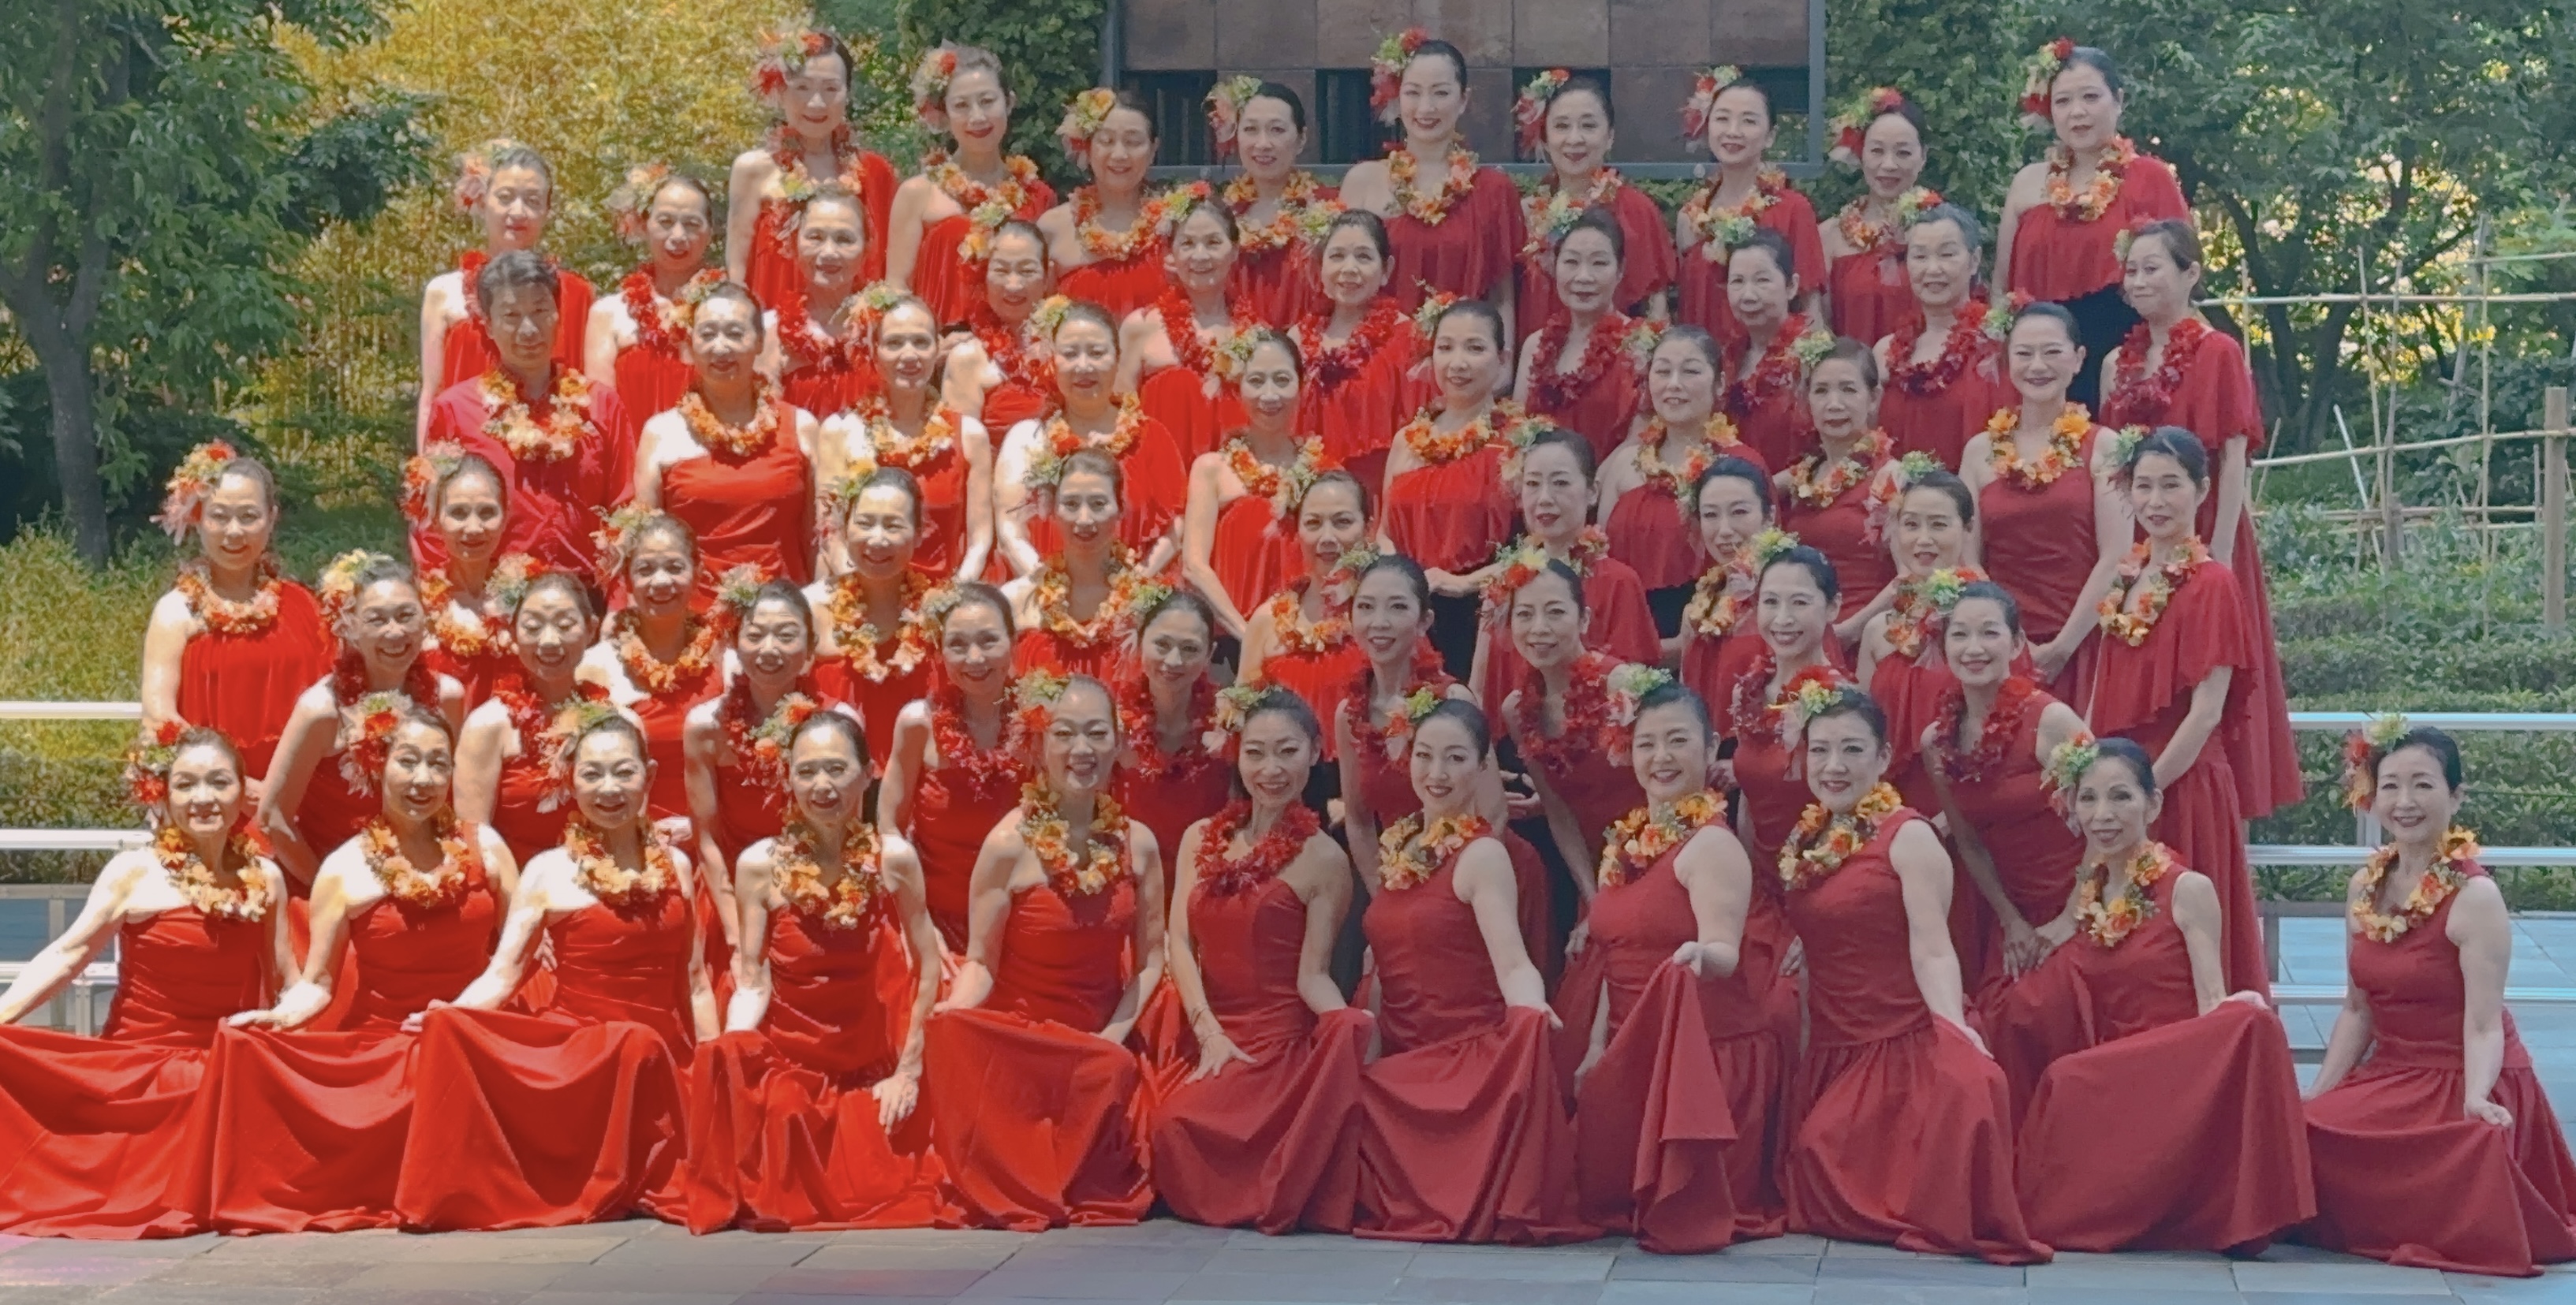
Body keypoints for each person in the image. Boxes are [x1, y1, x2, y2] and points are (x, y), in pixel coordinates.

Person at [198, 705, 515, 1233]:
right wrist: (278, 1018)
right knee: (252, 1051)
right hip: (390, 1044)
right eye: (407, 761)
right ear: (377, 765)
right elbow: (319, 984)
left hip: (477, 1030)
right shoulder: (344, 868)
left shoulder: (486, 846)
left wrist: (464, 1013)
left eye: (438, 763)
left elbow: (516, 958)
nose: (423, 778)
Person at [395, 713, 715, 1229]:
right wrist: (450, 1012)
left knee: (648, 1052)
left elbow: (694, 983)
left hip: (661, 1054)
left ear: (650, 775)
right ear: (571, 780)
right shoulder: (548, 870)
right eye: (591, 774)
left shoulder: (676, 866)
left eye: (623, 772)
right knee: (631, 1043)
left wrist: (711, 1065)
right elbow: (504, 975)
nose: (608, 789)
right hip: (584, 1051)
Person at [1994, 739, 2313, 1251]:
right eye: (2089, 798)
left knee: (2066, 1079)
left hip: (2174, 1062)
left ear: (2153, 804)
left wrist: (2238, 1011)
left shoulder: (2187, 888)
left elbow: (2211, 1001)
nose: (2103, 814)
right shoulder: (2092, 890)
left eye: (2121, 796)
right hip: (2116, 1058)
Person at [1774, 687, 2048, 1263]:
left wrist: (1954, 1030)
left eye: (1852, 750)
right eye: (1820, 750)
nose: (1834, 765)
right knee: (1808, 1172)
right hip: (1832, 1043)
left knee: (1827, 1159)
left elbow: (1933, 949)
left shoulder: (1910, 836)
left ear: (1882, 758)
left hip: (1900, 1041)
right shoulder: (1808, 837)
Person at [2302, 724, 2576, 1276]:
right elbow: (2357, 1010)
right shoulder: (2365, 887)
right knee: (2298, 1137)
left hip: (2464, 1073)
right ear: (2372, 795)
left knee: (2453, 1155)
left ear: (2455, 796)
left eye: (2423, 785)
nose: (2405, 801)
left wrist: (2476, 1095)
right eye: (2391, 786)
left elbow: (2484, 1025)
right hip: (2392, 1073)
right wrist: (2315, 1097)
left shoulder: (2476, 896)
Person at [0, 729, 288, 1236]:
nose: (203, 798)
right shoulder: (135, 870)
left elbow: (284, 981)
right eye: (186, 784)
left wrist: (277, 1037)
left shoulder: (265, 876)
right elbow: (69, 954)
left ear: (242, 791)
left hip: (222, 1069)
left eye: (219, 782)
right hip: (138, 1068)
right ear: (165, 794)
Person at [685, 710, 955, 1232]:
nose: (822, 785)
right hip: (792, 1063)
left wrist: (908, 1071)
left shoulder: (893, 859)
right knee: (775, 1113)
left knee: (899, 1172)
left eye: (836, 768)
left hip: (867, 1065)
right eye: (806, 771)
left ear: (868, 773)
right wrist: (735, 1045)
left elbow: (927, 968)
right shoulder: (760, 864)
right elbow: (753, 979)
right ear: (787, 778)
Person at [924, 674, 1167, 1229]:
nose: (1082, 749)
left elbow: (1151, 961)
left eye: (1097, 734)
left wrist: (1110, 1038)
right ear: (1037, 745)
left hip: (1099, 1039)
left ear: (1118, 743)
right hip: (1026, 1041)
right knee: (950, 1030)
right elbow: (981, 962)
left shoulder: (1140, 844)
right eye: (1065, 734)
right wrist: (954, 1013)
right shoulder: (1007, 843)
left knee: (1113, 1072)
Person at [1556, 682, 1785, 1250]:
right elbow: (1613, 953)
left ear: (1710, 748)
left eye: (1678, 741)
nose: (1661, 757)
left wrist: (1699, 956)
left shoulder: (1712, 847)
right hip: (1630, 1057)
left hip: (1702, 1065)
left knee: (1677, 1215)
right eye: (1646, 743)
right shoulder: (1626, 842)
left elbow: (1724, 951)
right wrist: (1596, 1049)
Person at [1354, 700, 1586, 1243]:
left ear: (1482, 766)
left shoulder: (1483, 856)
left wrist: (1529, 1006)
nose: (1436, 773)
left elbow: (1514, 962)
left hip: (1461, 1055)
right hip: (1402, 1048)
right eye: (1425, 755)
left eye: (1456, 758)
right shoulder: (1400, 845)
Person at [1150, 688, 1373, 1232]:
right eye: (1255, 752)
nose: (1270, 769)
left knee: (1186, 1122)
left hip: (1275, 1045)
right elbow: (1179, 940)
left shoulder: (1325, 858)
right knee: (1166, 1124)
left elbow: (1313, 975)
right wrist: (1207, 1031)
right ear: (1238, 754)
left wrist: (1344, 1021)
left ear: (1315, 752)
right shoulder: (1200, 837)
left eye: (1287, 752)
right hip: (1207, 1026)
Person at [2100, 218, 2301, 822]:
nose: (2139, 281)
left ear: (2191, 274)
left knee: (2210, 676)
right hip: (2139, 532)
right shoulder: (2116, 363)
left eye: (2152, 268)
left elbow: (2234, 457)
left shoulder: (2218, 351)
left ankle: (2214, 814)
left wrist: (2218, 552)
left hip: (2207, 526)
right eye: (2131, 270)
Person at [2086, 428, 2266, 994]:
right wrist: (2092, 780)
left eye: (2171, 486)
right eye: (2143, 486)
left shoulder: (2213, 583)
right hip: (2122, 788)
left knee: (2187, 947)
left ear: (2203, 490)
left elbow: (2206, 713)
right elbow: (2102, 682)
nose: (2155, 501)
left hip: (2181, 786)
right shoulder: (2127, 574)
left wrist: (2143, 793)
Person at [418, 252, 637, 580]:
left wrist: (618, 601)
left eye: (540, 311)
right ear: (487, 325)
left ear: (558, 315)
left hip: (584, 596)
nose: (529, 329)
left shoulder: (602, 405)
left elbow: (626, 511)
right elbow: (431, 522)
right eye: (511, 315)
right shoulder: (454, 411)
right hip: (491, 596)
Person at [1918, 584, 2088, 1001]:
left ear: (2015, 644)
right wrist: (2011, 921)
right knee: (2002, 1007)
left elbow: (2113, 820)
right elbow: (1968, 842)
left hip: (2083, 894)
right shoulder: (1936, 741)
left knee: (2046, 1003)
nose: (1974, 648)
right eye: (1960, 635)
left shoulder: (2052, 720)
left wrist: (2072, 916)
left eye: (1989, 633)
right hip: (2011, 909)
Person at [1996, 43, 2189, 406]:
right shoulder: (2027, 183)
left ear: (2118, 100)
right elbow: (2001, 289)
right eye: (2063, 101)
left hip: (2127, 360)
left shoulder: (2151, 178)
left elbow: (2182, 282)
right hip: (2042, 365)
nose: (2077, 112)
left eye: (2090, 97)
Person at [260, 553, 467, 890]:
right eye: (376, 620)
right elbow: (273, 818)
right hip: (334, 882)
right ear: (351, 627)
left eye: (406, 616)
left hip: (421, 877)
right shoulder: (323, 710)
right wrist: (328, 889)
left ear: (426, 619)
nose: (394, 632)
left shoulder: (447, 697)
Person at [1958, 303, 2126, 700]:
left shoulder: (2105, 446)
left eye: (2052, 352)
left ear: (2078, 359)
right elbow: (1966, 557)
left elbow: (2117, 557)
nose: (2038, 366)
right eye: (2024, 353)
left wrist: (2062, 647)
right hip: (2000, 647)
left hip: (2083, 640)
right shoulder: (1979, 451)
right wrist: (2010, 639)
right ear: (2007, 360)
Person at [138, 445, 331, 781]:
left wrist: (279, 791)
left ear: (272, 518)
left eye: (248, 516)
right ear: (197, 518)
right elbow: (159, 719)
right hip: (214, 794)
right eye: (219, 516)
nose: (234, 532)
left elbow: (334, 700)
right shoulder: (177, 612)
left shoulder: (304, 605)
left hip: (299, 792)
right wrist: (235, 786)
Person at [686, 580, 843, 968]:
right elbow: (707, 840)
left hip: (819, 893)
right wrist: (737, 935)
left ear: (810, 649)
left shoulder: (838, 725)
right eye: (755, 636)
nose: (769, 649)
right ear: (735, 643)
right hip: (731, 895)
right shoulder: (706, 726)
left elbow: (845, 836)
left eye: (786, 636)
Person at [635, 281, 821, 591]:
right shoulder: (661, 433)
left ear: (759, 341)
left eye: (735, 334)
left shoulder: (802, 426)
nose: (720, 348)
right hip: (692, 610)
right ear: (690, 343)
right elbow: (645, 546)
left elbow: (817, 540)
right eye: (707, 334)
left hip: (780, 611)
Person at [1473, 427, 1660, 721]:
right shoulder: (1505, 584)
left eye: (1560, 483)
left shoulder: (1618, 582)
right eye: (1532, 484)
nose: (1545, 498)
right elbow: (1481, 687)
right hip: (1514, 732)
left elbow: (1633, 697)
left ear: (1592, 491)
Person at [1377, 300, 1523, 676]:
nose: (1458, 363)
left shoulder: (1520, 442)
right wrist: (1404, 588)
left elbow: (1540, 547)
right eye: (1445, 348)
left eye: (1474, 348)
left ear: (1503, 359)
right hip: (1411, 614)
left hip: (1484, 614)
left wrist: (1462, 584)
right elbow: (1385, 533)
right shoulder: (1408, 440)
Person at [879, 583, 1029, 951]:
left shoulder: (1042, 721)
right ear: (940, 651)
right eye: (958, 645)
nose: (975, 658)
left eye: (989, 641)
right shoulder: (917, 723)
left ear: (1014, 641)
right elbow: (889, 830)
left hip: (1025, 921)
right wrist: (919, 926)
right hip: (935, 921)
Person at [1495, 561, 1648, 914]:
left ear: (1583, 619)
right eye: (1525, 614)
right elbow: (1559, 813)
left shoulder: (1623, 684)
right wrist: (1594, 901)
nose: (1539, 628)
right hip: (1596, 870)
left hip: (1661, 850)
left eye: (1555, 612)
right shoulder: (1517, 710)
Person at [1337, 35, 1523, 325]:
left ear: (1463, 100)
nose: (1426, 108)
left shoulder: (1493, 190)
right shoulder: (1362, 182)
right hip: (1380, 346)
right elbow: (1341, 287)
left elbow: (1502, 300)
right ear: (1396, 97)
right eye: (1413, 92)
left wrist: (1502, 355)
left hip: (1463, 349)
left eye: (1440, 93)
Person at [995, 301, 1190, 574]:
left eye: (1097, 353)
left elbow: (1175, 527)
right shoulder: (1029, 439)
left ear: (1118, 358)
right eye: (1070, 354)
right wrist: (1052, 589)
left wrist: (1134, 586)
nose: (1084, 366)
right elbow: (1010, 532)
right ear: (1053, 361)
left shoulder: (1152, 436)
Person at [416, 141, 592, 442]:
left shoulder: (575, 294)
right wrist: (428, 465)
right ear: (482, 201)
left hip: (552, 453)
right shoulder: (444, 293)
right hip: (467, 456)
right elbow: (431, 397)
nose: (518, 212)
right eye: (505, 197)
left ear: (547, 210)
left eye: (533, 201)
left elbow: (589, 394)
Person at [1600, 329, 1763, 637]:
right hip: (1626, 638)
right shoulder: (1624, 464)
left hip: (1711, 632)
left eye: (1690, 371)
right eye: (1663, 371)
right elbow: (1603, 568)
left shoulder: (1741, 464)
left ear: (1720, 383)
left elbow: (1757, 568)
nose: (1674, 384)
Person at [822, 296, 994, 583]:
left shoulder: (970, 436)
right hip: (863, 595)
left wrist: (951, 600)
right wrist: (864, 595)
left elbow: (980, 540)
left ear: (938, 348)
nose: (910, 355)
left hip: (943, 597)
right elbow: (831, 536)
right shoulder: (840, 431)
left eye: (921, 342)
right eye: (894, 343)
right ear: (875, 351)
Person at [887, 42, 1054, 330]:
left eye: (987, 101)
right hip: (939, 346)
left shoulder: (1039, 196)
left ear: (1009, 102)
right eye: (962, 106)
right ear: (944, 114)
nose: (977, 117)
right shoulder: (918, 194)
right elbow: (897, 287)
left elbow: (1048, 292)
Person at [455, 572, 613, 867]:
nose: (549, 641)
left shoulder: (613, 722)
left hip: (601, 882)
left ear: (591, 630)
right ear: (513, 633)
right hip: (516, 886)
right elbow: (476, 843)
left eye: (565, 625)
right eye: (532, 627)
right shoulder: (488, 726)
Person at [730, 28, 898, 304]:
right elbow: (736, 275)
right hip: (774, 323)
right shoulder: (752, 170)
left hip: (855, 323)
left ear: (848, 93)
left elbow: (892, 272)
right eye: (802, 88)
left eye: (831, 89)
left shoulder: (876, 172)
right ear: (782, 91)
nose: (816, 103)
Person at [1182, 330, 1329, 640]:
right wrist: (1250, 638)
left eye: (1282, 380)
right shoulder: (1212, 470)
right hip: (1231, 638)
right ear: (1237, 387)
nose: (1270, 395)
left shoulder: (1324, 472)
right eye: (1257, 381)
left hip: (1305, 640)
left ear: (1302, 385)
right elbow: (1194, 567)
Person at [585, 512, 724, 822]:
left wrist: (700, 827)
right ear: (627, 580)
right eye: (645, 570)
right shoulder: (595, 666)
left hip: (715, 833)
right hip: (630, 834)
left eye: (675, 568)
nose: (661, 582)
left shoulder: (727, 658)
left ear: (698, 573)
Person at [1854, 468, 1983, 782]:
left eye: (1938, 525)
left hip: (1969, 789)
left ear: (1968, 528)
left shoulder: (1988, 620)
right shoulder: (1878, 631)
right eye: (1911, 524)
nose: (1923, 540)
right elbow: (1862, 733)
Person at [1675, 73, 1823, 345]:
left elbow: (1811, 309)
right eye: (1722, 119)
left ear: (1770, 136)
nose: (1733, 131)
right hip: (1703, 363)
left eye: (1749, 121)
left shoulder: (1794, 209)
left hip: (1771, 362)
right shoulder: (1690, 217)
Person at [808, 469, 940, 772]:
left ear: (919, 533)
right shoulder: (810, 610)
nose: (877, 540)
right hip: (835, 785)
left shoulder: (941, 610)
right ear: (844, 528)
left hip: (922, 779)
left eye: (893, 526)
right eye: (865, 524)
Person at [1724, 546, 1846, 873]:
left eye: (1800, 603)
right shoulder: (1747, 693)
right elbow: (1749, 797)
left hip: (1820, 871)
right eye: (1770, 602)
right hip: (1760, 872)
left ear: (1833, 607)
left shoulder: (1841, 701)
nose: (1783, 619)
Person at [1515, 73, 1674, 323]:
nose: (1574, 139)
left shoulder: (1636, 211)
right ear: (1544, 138)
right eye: (1562, 126)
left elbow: (1656, 308)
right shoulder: (1527, 214)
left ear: (1610, 137)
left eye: (1588, 126)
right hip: (1538, 344)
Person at [1775, 338, 1900, 631]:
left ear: (1873, 398)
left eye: (1848, 389)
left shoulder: (1891, 476)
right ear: (1806, 400)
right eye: (1821, 391)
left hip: (1865, 633)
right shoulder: (1802, 477)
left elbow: (1910, 577)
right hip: (1804, 631)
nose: (1834, 404)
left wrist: (1849, 631)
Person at [1875, 203, 2014, 468]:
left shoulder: (1999, 343)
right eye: (1920, 256)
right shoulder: (1885, 353)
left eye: (1947, 254)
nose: (1933, 269)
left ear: (1974, 261)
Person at [1112, 589, 1233, 889]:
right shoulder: (1112, 723)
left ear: (1210, 653)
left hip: (1206, 881)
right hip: (1129, 879)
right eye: (1162, 644)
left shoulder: (1229, 722)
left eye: (1190, 649)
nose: (1174, 660)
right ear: (1140, 641)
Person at [1122, 188, 1251, 463]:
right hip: (1160, 475)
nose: (1200, 256)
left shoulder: (1254, 334)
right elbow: (1119, 421)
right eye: (1188, 244)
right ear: (1171, 253)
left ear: (1234, 251)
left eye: (1213, 242)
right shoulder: (1141, 326)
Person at [1237, 472, 1370, 739]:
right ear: (1296, 531)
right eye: (1313, 523)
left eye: (1342, 522)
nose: (1327, 537)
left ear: (1368, 528)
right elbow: (1242, 720)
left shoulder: (1387, 609)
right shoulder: (1267, 620)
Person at [1294, 211, 1418, 497]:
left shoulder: (1409, 339)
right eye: (1337, 256)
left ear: (1386, 269)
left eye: (1363, 257)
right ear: (1320, 266)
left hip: (1379, 496)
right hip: (1308, 498)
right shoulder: (1297, 340)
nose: (1349, 269)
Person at [585, 167, 719, 422]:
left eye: (692, 224)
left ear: (710, 232)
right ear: (644, 226)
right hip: (629, 446)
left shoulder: (729, 309)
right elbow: (601, 415)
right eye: (665, 222)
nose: (678, 236)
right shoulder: (609, 313)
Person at [1006, 450, 1149, 681]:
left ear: (1121, 509)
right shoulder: (1018, 600)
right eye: (1071, 504)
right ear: (1053, 509)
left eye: (1098, 504)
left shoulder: (1145, 601)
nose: (1084, 520)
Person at [1514, 211, 1642, 464]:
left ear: (1620, 270)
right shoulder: (1535, 346)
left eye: (1599, 263)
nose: (1584, 277)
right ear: (1554, 265)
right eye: (1571, 262)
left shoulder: (1640, 346)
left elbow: (1639, 442)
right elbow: (1517, 434)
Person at [1213, 80, 1339, 329]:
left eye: (1277, 130)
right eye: (1250, 129)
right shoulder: (1219, 215)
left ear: (1301, 139)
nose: (1263, 144)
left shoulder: (1328, 210)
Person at [408, 448, 523, 708]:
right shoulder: (416, 605)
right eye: (458, 513)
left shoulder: (528, 598)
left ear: (506, 516)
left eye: (487, 512)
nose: (473, 528)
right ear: (436, 519)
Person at [1041, 88, 1167, 319]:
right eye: (1106, 141)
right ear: (1087, 147)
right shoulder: (1053, 228)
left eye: (1133, 142)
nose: (1119, 155)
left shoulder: (1173, 226)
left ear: (1153, 150)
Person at [1820, 89, 1930, 346]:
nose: (1888, 165)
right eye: (1877, 151)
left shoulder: (1941, 230)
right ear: (1860, 154)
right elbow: (1817, 326)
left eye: (1903, 153)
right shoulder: (1829, 236)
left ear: (1923, 157)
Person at [1719, 232, 1829, 470]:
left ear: (1792, 286)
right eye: (1737, 281)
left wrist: (1767, 485)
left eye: (1762, 280)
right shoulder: (1727, 358)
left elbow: (1830, 450)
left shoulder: (1816, 357)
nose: (1748, 295)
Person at [943, 220, 1058, 440]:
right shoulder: (967, 358)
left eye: (1027, 271)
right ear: (982, 276)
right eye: (1001, 271)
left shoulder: (1068, 347)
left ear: (1047, 277)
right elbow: (963, 451)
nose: (1013, 285)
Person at [1676, 459, 1778, 707]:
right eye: (1710, 515)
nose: (1724, 530)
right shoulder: (1698, 608)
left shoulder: (1788, 590)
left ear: (1769, 517)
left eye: (1739, 512)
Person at [767, 187, 872, 418]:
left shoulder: (886, 326)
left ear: (866, 248)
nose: (829, 253)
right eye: (815, 237)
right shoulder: (770, 331)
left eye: (844, 239)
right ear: (793, 243)